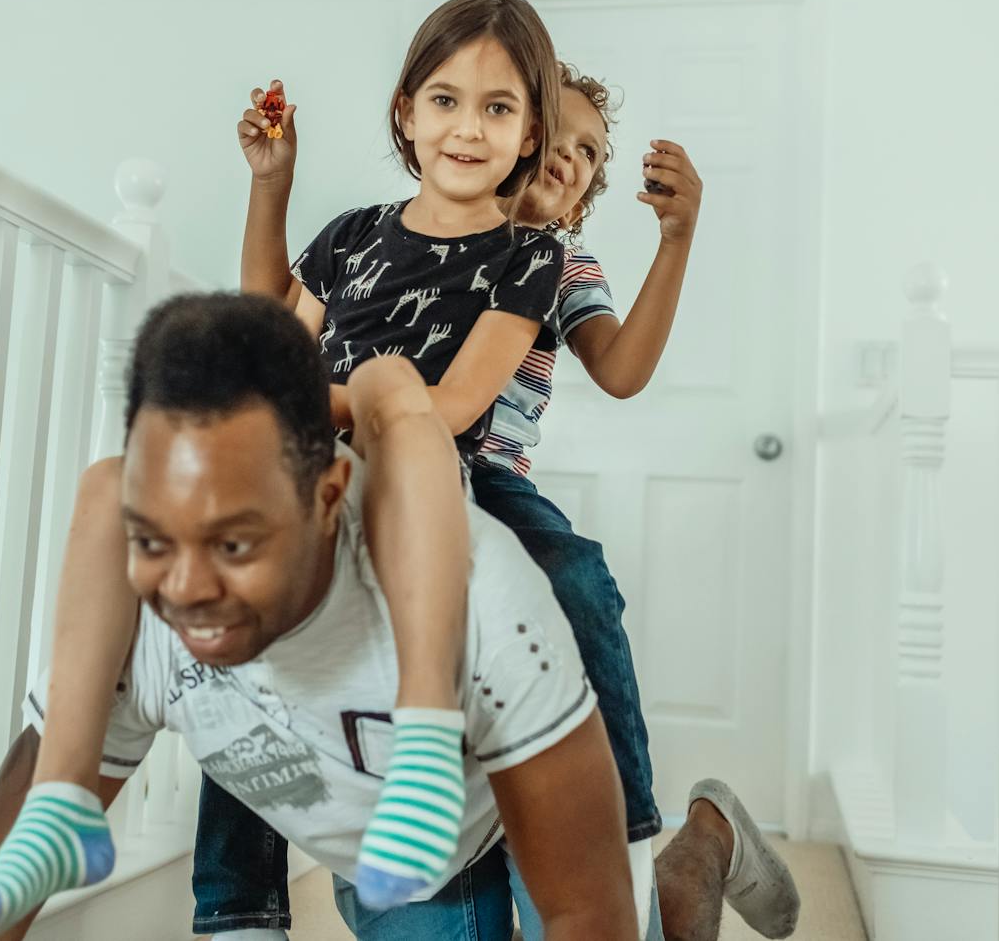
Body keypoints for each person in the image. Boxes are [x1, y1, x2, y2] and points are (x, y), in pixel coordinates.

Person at [0, 0, 568, 939]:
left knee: (396, 390)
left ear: (529, 135)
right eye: (445, 100)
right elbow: (272, 333)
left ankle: (427, 741)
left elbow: (455, 405)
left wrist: (321, 400)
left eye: (497, 108)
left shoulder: (526, 257)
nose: (468, 128)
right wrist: (271, 184)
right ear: (405, 112)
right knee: (115, 488)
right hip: (310, 482)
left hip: (419, 484)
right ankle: (71, 808)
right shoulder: (352, 236)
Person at [217, 64, 800, 941]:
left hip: (487, 476)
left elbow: (622, 369)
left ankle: (638, 835)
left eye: (590, 153)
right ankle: (244, 904)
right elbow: (277, 322)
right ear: (514, 139)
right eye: (557, 133)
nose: (570, 156)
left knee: (573, 578)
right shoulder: (385, 240)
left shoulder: (556, 260)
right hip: (364, 471)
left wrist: (676, 239)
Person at [0, 292, 638, 941]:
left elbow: (587, 910)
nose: (187, 589)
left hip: (491, 803)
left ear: (329, 497)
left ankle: (691, 845)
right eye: (153, 539)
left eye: (234, 544)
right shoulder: (128, 610)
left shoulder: (488, 602)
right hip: (388, 861)